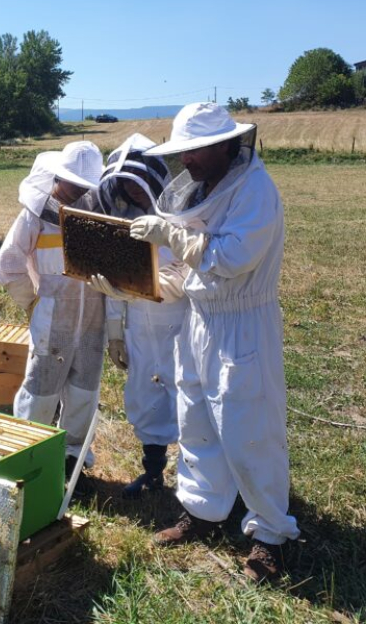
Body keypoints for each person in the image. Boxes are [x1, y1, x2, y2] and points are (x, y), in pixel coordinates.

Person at [129, 102, 299, 583]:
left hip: (245, 323)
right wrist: (133, 285)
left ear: (227, 144)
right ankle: (203, 512)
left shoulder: (256, 191)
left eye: (196, 151)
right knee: (196, 419)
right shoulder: (204, 191)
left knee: (251, 429)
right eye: (182, 152)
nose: (187, 162)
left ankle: (270, 535)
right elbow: (191, 278)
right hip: (201, 322)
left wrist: (170, 235)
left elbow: (231, 258)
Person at [0, 141, 105, 485]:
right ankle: (31, 453)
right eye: (72, 183)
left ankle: (72, 458)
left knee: (85, 390)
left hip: (92, 319)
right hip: (53, 318)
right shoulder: (34, 215)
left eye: (84, 185)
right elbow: (7, 265)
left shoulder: (95, 210)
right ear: (57, 177)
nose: (78, 191)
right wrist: (33, 302)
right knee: (41, 389)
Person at [90, 134, 189, 498]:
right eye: (125, 185)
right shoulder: (123, 220)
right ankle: (152, 473)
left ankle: (196, 483)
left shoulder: (182, 221)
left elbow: (186, 277)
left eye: (137, 184)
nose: (131, 192)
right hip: (139, 329)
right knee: (145, 399)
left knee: (187, 400)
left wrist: (139, 287)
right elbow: (114, 281)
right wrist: (115, 332)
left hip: (179, 325)